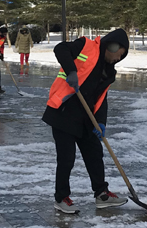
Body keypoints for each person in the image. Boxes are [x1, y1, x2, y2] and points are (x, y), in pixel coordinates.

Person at [42, 29, 130, 214]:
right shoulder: (86, 46)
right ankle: (61, 198)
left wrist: (101, 122)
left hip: (86, 117)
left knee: (95, 155)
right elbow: (60, 49)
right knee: (66, 158)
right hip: (63, 111)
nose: (118, 59)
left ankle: (102, 194)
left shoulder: (109, 71)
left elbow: (102, 98)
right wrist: (71, 71)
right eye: (119, 54)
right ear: (112, 46)